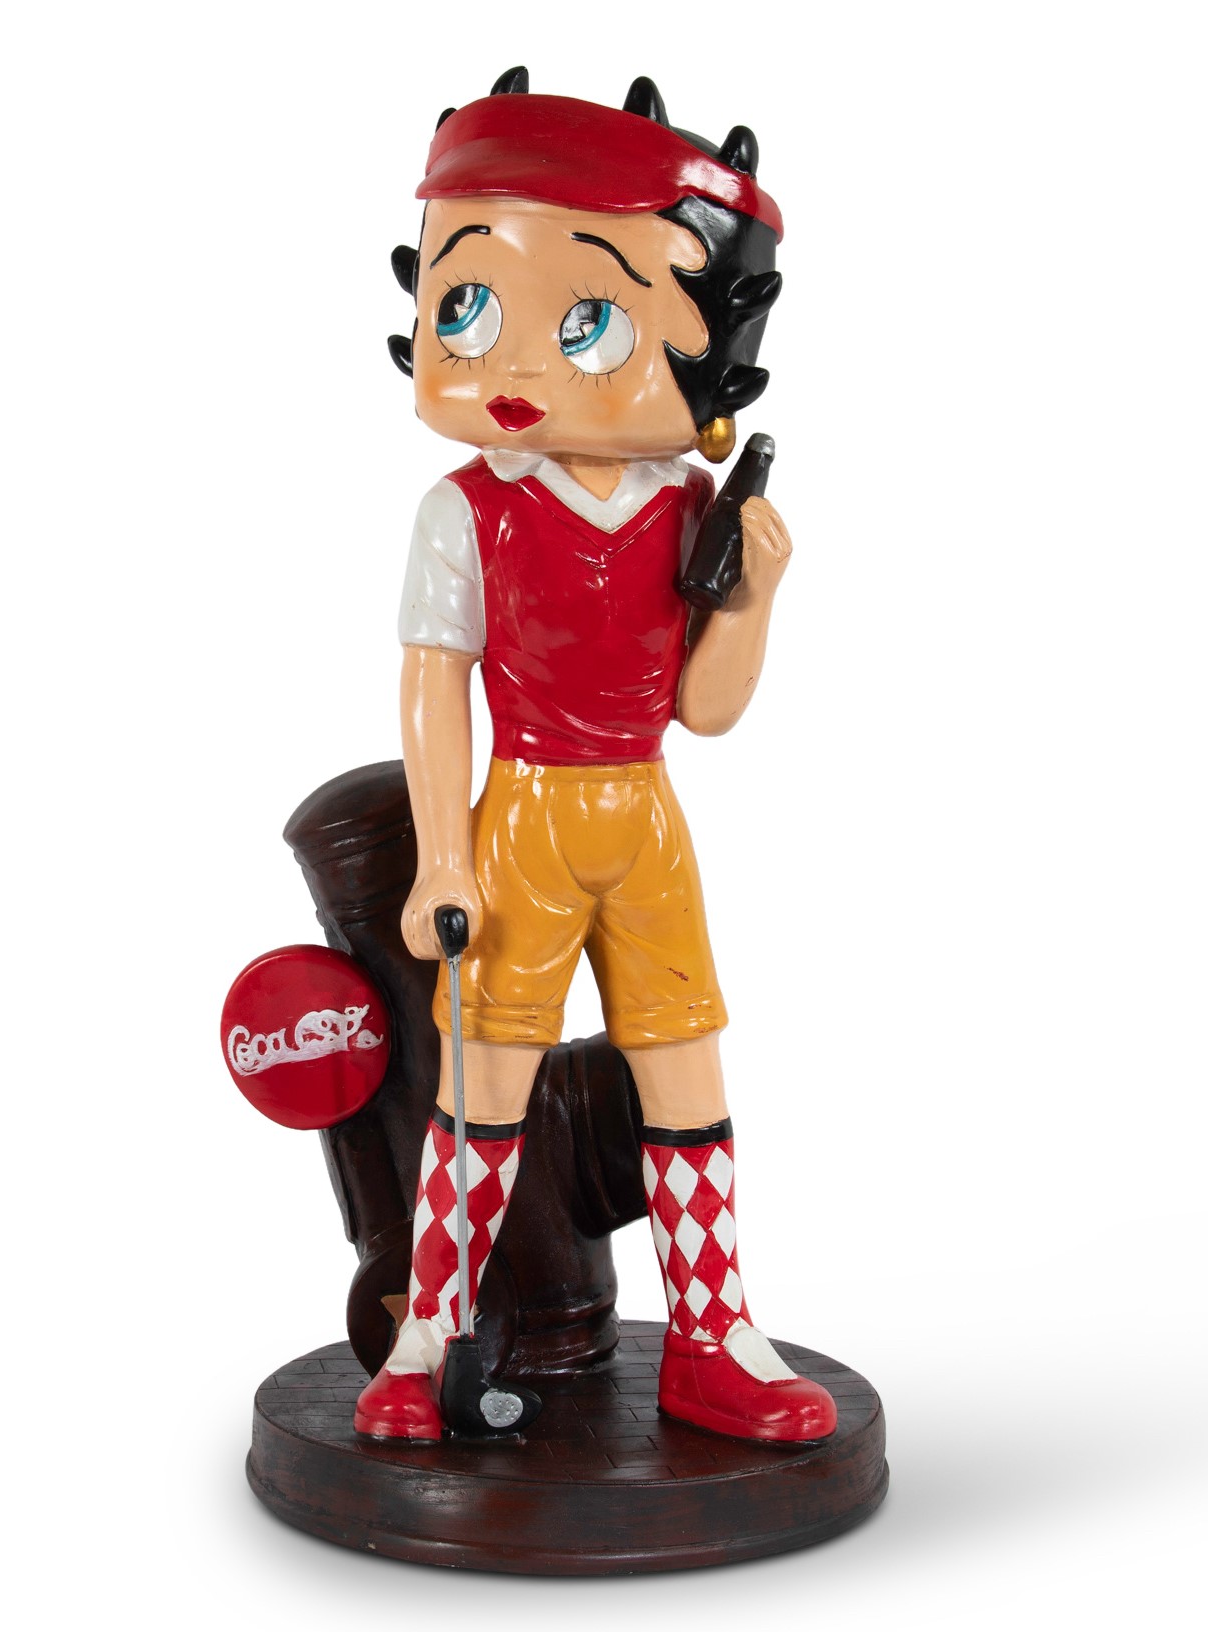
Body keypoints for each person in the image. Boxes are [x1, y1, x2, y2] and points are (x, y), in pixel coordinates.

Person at [354, 68, 836, 1445]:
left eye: (585, 321)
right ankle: (425, 1337)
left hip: (645, 822)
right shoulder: (465, 511)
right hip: (523, 823)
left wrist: (750, 600)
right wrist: (443, 855)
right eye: (466, 306)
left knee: (687, 1078)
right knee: (481, 1098)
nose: (511, 367)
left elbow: (706, 709)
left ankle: (712, 1336)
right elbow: (433, 689)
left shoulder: (687, 511)